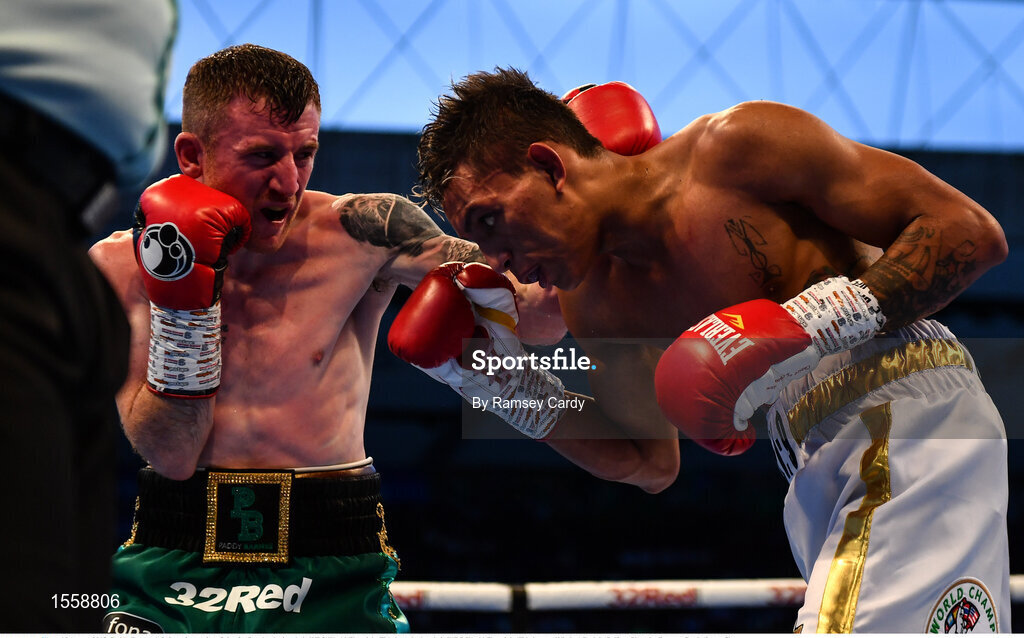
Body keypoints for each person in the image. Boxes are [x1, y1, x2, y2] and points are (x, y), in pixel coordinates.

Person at [396, 68, 1011, 632]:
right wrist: (499, 382)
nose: (496, 260)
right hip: (813, 461)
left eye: (488, 221)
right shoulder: (597, 303)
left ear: (550, 166)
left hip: (907, 414)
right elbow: (647, 461)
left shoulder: (737, 149)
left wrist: (809, 321)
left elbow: (969, 231)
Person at [89, 45, 560, 634]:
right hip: (174, 551)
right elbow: (172, 453)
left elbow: (536, 315)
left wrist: (594, 211)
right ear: (191, 154)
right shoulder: (119, 266)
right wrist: (187, 306)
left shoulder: (366, 233)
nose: (288, 182)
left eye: (304, 153)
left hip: (333, 553)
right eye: (262, 155)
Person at [0, 0, 176, 632]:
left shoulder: (66, 278)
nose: (288, 181)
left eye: (306, 151)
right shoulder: (50, 270)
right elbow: (36, 587)